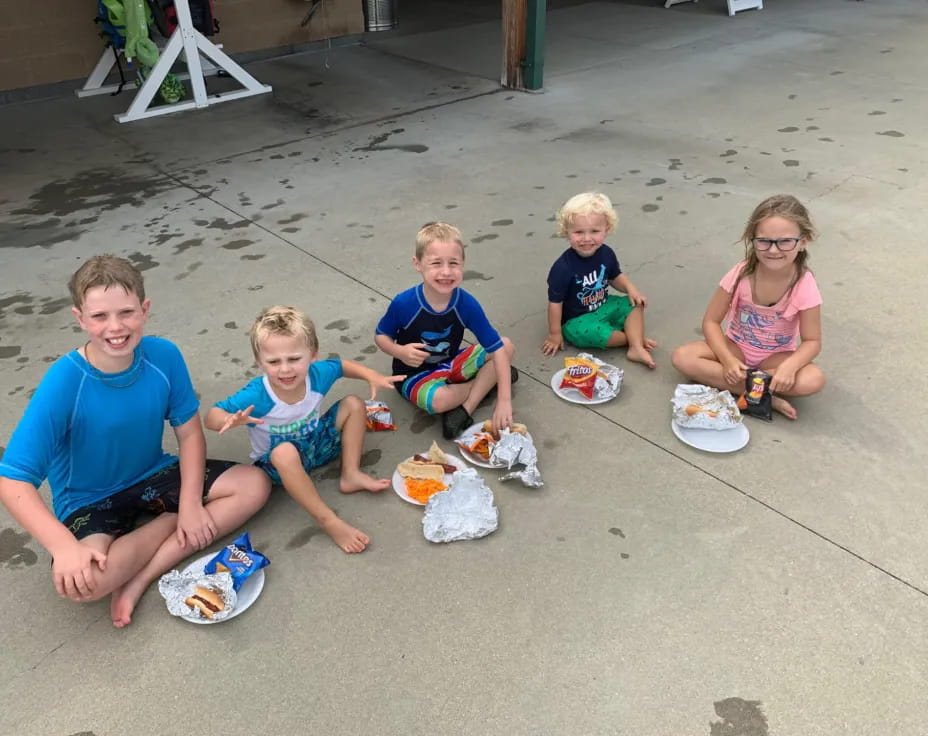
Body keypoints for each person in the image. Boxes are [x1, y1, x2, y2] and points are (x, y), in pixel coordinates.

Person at [0, 255, 271, 627]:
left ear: (144, 310)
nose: (115, 327)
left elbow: (189, 432)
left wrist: (192, 502)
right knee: (84, 584)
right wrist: (63, 548)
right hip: (87, 499)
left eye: (126, 312)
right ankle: (165, 525)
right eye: (99, 317)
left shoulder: (163, 356)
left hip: (152, 475)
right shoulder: (64, 381)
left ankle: (141, 577)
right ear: (80, 318)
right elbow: (13, 478)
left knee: (254, 484)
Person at [206, 306, 401, 554]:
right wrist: (230, 419)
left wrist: (370, 375)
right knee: (285, 452)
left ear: (313, 355)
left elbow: (341, 366)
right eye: (274, 362)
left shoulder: (318, 374)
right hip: (276, 467)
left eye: (294, 359)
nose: (285, 369)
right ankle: (328, 520)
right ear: (259, 362)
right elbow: (211, 417)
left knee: (353, 403)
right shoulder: (258, 393)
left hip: (314, 444)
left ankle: (350, 473)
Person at [671, 194, 826, 419]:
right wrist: (727, 359)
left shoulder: (804, 284)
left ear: (803, 242)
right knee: (682, 357)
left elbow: (812, 342)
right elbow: (711, 321)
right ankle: (766, 396)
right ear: (752, 239)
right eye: (764, 241)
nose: (773, 250)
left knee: (813, 379)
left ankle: (748, 389)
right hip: (736, 347)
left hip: (775, 357)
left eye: (785, 241)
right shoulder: (740, 274)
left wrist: (790, 366)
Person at [374, 222, 516, 440]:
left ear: (463, 264)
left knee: (506, 346)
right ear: (418, 264)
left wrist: (504, 401)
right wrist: (399, 351)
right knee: (438, 401)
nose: (446, 272)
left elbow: (496, 348)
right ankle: (486, 383)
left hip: (451, 364)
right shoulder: (404, 303)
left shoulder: (466, 304)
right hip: (413, 376)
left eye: (453, 263)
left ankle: (466, 408)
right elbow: (381, 336)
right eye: (436, 263)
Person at [542, 192, 657, 368]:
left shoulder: (606, 253)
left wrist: (630, 288)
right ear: (566, 232)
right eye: (578, 232)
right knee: (593, 332)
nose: (587, 238)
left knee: (635, 304)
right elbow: (555, 304)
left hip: (603, 305)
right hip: (578, 320)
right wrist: (554, 334)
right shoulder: (562, 268)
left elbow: (614, 277)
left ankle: (635, 346)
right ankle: (635, 340)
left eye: (594, 231)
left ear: (607, 229)